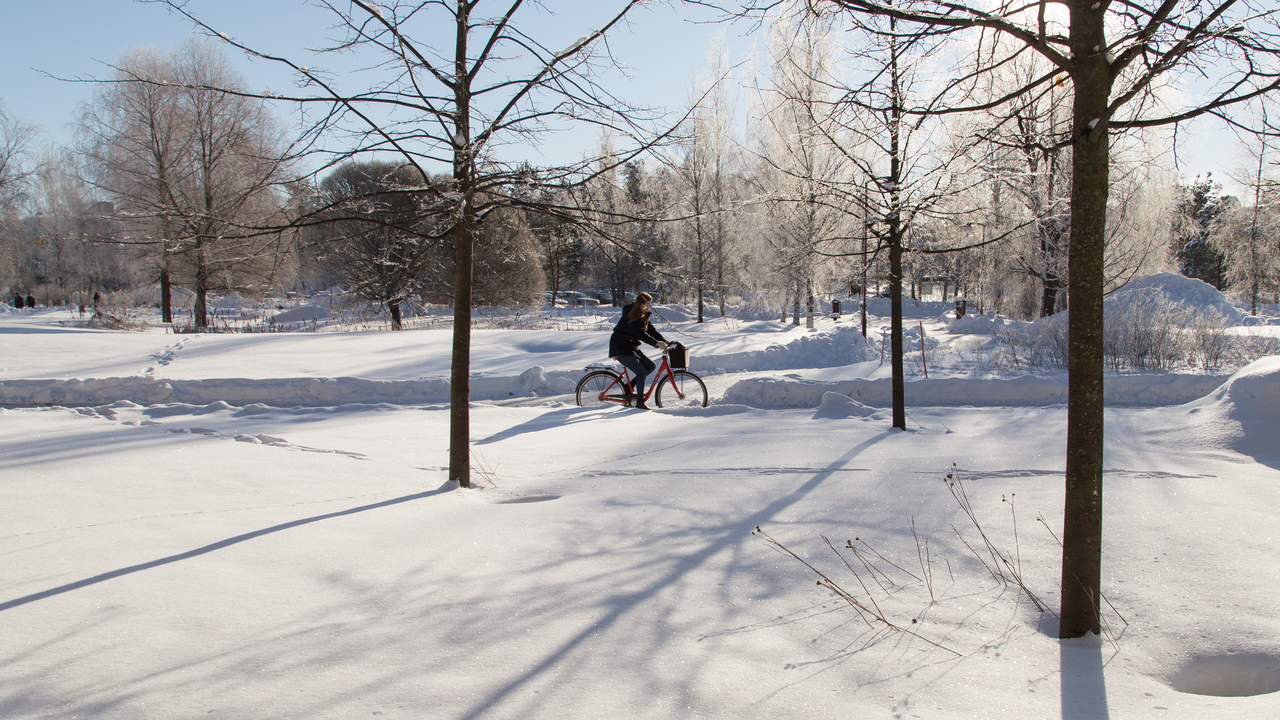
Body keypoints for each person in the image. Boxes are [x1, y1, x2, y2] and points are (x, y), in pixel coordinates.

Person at [609, 291, 668, 410]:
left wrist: (665, 342)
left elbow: (652, 331)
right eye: (647, 304)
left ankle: (629, 386)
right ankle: (640, 402)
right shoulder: (630, 316)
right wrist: (656, 344)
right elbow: (640, 334)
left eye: (650, 304)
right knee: (641, 372)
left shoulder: (643, 315)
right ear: (640, 304)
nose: (649, 307)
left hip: (630, 347)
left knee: (650, 366)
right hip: (620, 348)